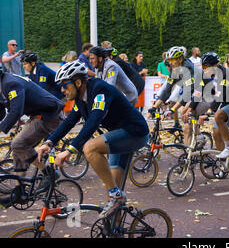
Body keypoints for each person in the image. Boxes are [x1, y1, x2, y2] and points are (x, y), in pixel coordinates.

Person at [37, 60, 149, 218]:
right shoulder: (81, 97)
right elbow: (69, 122)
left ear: (77, 82)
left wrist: (70, 150)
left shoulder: (99, 89)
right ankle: (116, 230)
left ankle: (116, 197)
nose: (62, 90)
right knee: (112, 191)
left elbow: (93, 122)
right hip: (119, 135)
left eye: (65, 85)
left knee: (90, 148)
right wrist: (48, 143)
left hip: (136, 133)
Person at [0, 64, 64, 191]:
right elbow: (1, 109)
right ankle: (20, 189)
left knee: (18, 144)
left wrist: (2, 128)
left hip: (49, 116)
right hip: (37, 116)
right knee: (17, 147)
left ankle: (49, 174)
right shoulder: (3, 84)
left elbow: (16, 110)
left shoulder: (10, 84)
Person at [188, 52, 229, 159]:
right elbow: (199, 91)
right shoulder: (207, 75)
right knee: (216, 133)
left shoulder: (226, 75)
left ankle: (228, 148)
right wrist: (190, 109)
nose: (204, 69)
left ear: (215, 65)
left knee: (218, 116)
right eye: (203, 66)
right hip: (227, 103)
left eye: (206, 66)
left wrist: (208, 113)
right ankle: (225, 161)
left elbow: (221, 96)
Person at [148, 46, 199, 132]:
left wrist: (172, 110)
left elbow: (187, 94)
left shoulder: (188, 68)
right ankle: (178, 125)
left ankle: (198, 134)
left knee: (184, 110)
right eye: (169, 60)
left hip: (199, 90)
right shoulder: (174, 67)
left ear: (180, 59)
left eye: (172, 60)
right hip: (185, 86)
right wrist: (154, 107)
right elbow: (167, 90)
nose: (170, 63)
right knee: (172, 103)